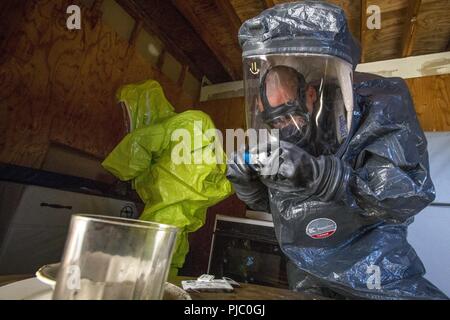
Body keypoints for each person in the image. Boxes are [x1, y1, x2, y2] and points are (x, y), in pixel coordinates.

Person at [227, 1, 448, 299]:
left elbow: (404, 196)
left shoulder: (379, 104)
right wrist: (249, 187)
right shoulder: (283, 136)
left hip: (376, 272)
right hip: (308, 275)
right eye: (275, 120)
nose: (283, 125)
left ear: (309, 93)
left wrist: (325, 177)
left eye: (288, 114)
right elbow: (286, 209)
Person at [102, 80, 232, 277]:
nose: (125, 121)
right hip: (186, 200)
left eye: (125, 111)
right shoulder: (184, 124)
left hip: (172, 200)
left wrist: (117, 172)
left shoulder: (173, 126)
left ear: (140, 107)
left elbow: (136, 149)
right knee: (170, 252)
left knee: (148, 257)